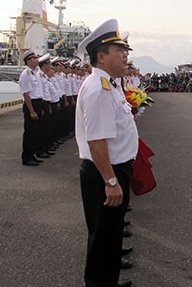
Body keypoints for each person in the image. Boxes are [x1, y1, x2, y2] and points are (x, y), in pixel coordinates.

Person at [75, 19, 137, 287]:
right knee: (102, 238)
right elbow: (96, 141)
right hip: (105, 173)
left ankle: (108, 281)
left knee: (110, 235)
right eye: (118, 50)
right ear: (101, 56)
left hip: (114, 170)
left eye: (124, 49)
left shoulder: (109, 84)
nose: (125, 54)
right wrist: (111, 182)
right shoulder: (98, 89)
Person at [19, 49, 45, 166]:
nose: (36, 60)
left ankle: (33, 154)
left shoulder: (36, 73)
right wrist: (32, 111)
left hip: (38, 103)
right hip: (32, 104)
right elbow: (26, 94)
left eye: (36, 58)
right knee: (30, 133)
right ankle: (27, 157)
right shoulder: (26, 75)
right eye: (33, 58)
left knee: (37, 132)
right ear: (28, 61)